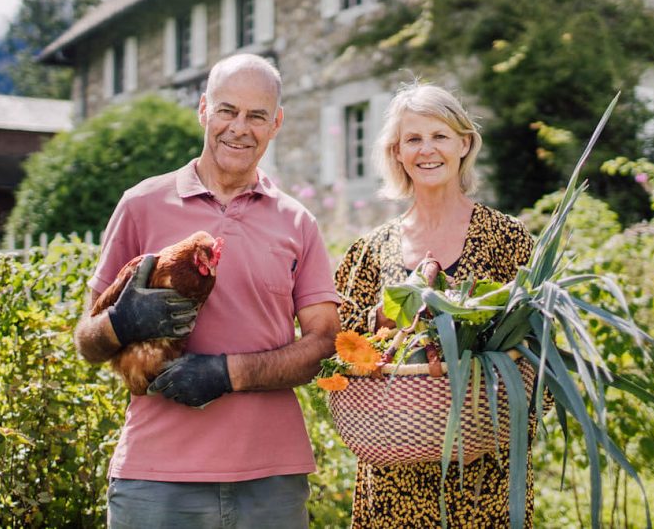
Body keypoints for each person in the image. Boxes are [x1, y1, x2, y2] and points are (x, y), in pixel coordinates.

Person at [74, 53, 340, 528]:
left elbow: (323, 342)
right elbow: (85, 341)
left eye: (257, 116)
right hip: (155, 476)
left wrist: (227, 373)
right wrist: (121, 321)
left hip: (270, 479)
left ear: (275, 123)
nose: (240, 127)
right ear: (203, 109)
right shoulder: (141, 205)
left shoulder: (298, 222)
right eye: (227, 110)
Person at [335, 81, 541, 528]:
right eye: (413, 139)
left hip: (483, 468)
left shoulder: (507, 237)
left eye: (440, 136)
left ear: (464, 144)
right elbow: (342, 349)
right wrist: (382, 324)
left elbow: (533, 349)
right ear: (397, 152)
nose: (427, 150)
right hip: (394, 470)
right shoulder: (369, 250)